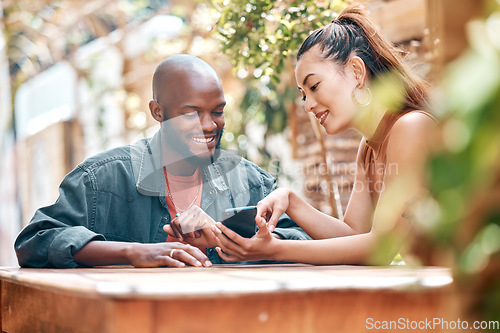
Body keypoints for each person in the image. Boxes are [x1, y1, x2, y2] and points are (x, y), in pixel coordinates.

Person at [14, 55, 309, 268]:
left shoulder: (249, 180)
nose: (209, 125)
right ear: (158, 112)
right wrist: (134, 252)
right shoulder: (102, 179)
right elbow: (35, 241)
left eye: (217, 111)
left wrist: (227, 238)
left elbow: (303, 242)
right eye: (191, 113)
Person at [211, 5, 439, 265]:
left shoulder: (411, 127)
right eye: (303, 94)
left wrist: (274, 250)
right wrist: (291, 201)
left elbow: (379, 248)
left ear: (356, 71)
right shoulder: (369, 148)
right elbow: (354, 234)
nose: (308, 105)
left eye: (314, 86)